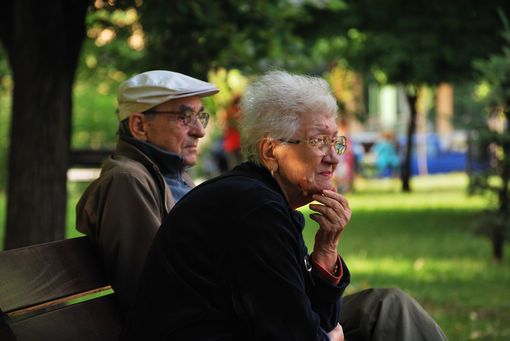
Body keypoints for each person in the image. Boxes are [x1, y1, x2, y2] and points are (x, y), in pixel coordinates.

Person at [120, 71, 447, 340]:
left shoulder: (264, 201)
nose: (334, 157)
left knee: (390, 307)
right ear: (270, 151)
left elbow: (314, 317)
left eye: (336, 142)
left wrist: (326, 250)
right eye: (319, 141)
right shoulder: (254, 210)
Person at [75, 70, 219, 315]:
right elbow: (154, 290)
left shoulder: (174, 175)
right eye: (185, 117)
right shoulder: (127, 180)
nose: (199, 131)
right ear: (139, 125)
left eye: (200, 116)